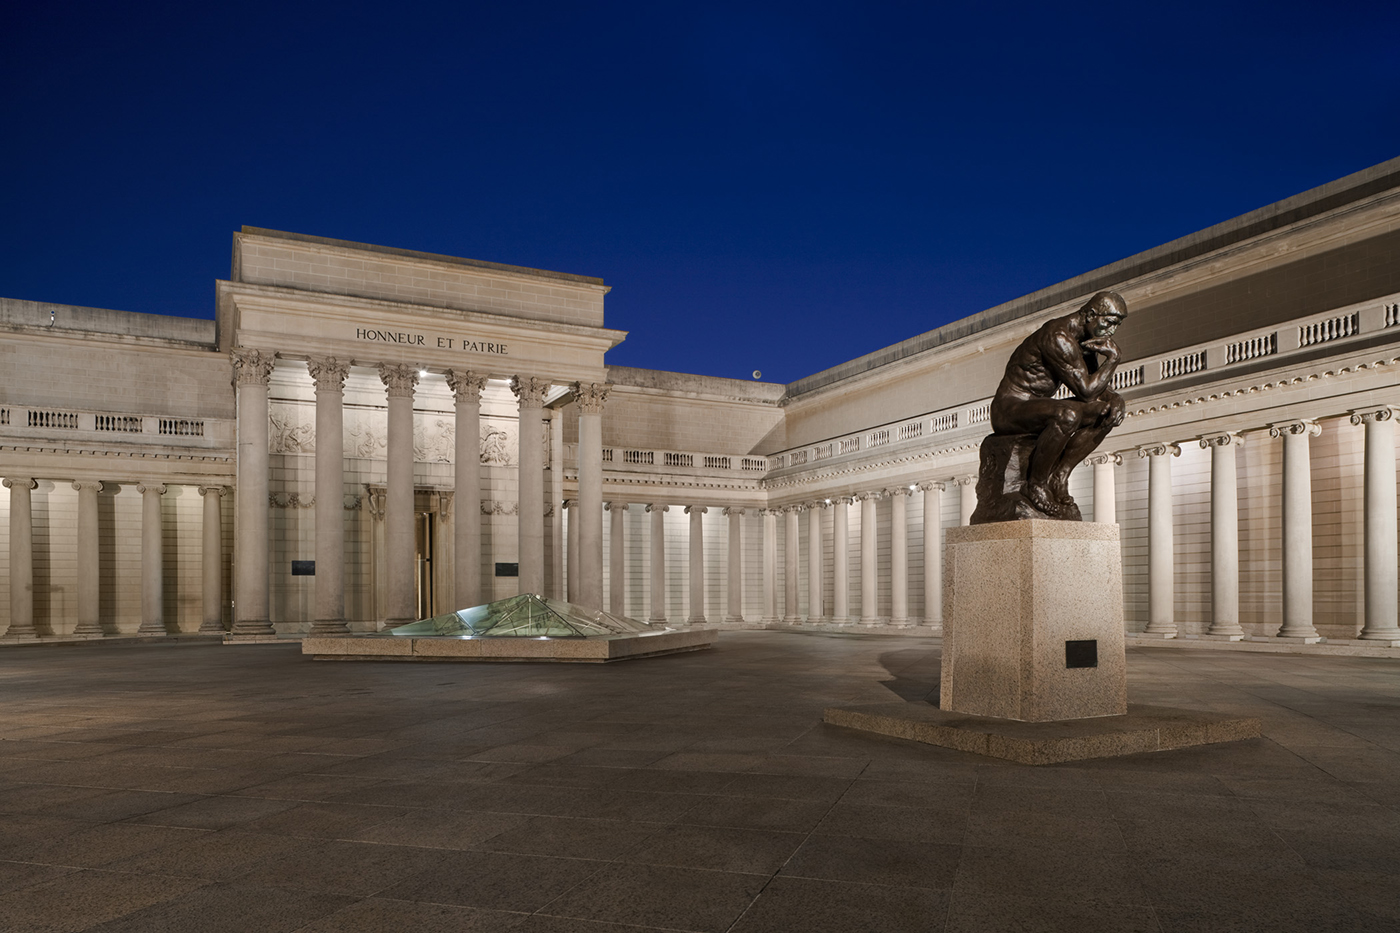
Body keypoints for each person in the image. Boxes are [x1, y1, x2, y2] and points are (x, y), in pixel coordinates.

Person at [988, 290, 1127, 519]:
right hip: (1010, 408)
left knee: (1105, 413)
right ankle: (1037, 485)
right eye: (1110, 323)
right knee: (1068, 415)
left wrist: (1116, 400)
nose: (1112, 332)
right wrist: (1114, 358)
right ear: (1091, 314)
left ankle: (1059, 476)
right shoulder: (1058, 336)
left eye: (1116, 325)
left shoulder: (1084, 340)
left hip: (1038, 406)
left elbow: (1098, 387)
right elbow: (1086, 391)